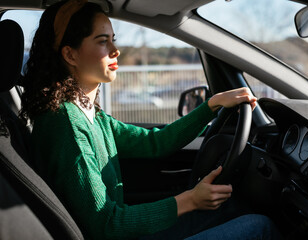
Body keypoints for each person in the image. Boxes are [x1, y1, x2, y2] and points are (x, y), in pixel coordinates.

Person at [20, 0, 281, 239]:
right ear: (70, 55)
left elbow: (155, 142)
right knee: (260, 227)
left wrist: (211, 105)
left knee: (234, 209)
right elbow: (107, 224)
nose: (116, 50)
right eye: (103, 41)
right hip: (117, 233)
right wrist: (190, 200)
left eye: (114, 39)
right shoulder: (67, 126)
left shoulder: (88, 113)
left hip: (126, 231)